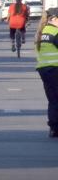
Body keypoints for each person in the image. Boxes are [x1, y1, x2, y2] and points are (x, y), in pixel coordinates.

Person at [35, 8, 58, 138]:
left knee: (53, 99)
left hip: (44, 69)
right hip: (55, 68)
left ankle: (54, 128)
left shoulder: (42, 32)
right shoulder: (55, 32)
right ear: (53, 19)